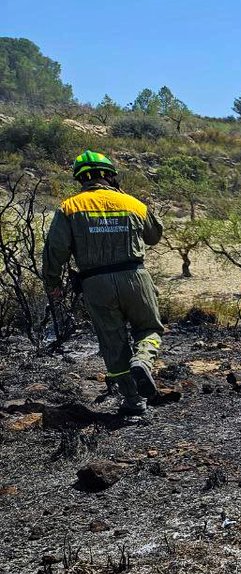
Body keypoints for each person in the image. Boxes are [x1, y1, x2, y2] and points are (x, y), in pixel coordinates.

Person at [42, 151, 165, 416]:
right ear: (110, 175)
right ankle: (143, 360)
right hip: (135, 278)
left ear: (80, 179)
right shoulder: (133, 203)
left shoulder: (69, 207)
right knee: (149, 329)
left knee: (113, 341)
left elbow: (56, 249)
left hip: (95, 283)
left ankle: (133, 402)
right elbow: (154, 235)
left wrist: (53, 282)